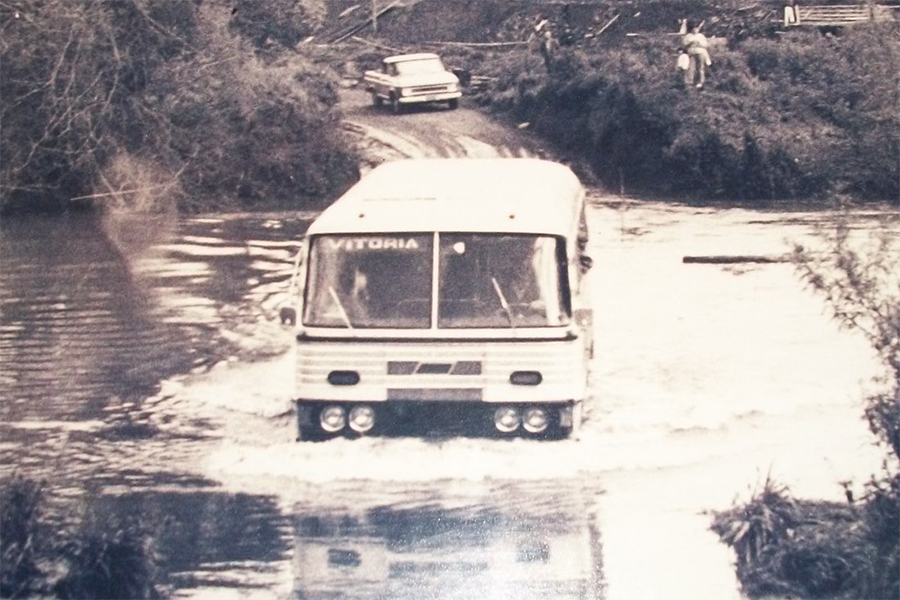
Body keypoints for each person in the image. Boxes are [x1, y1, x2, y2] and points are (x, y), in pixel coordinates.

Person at [681, 19, 711, 89]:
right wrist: (690, 42)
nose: (695, 30)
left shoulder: (701, 36)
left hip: (700, 52)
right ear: (691, 29)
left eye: (696, 29)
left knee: (700, 67)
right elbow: (684, 43)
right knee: (691, 67)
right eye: (694, 29)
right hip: (691, 52)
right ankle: (690, 82)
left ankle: (700, 82)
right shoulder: (689, 36)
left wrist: (699, 43)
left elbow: (706, 45)